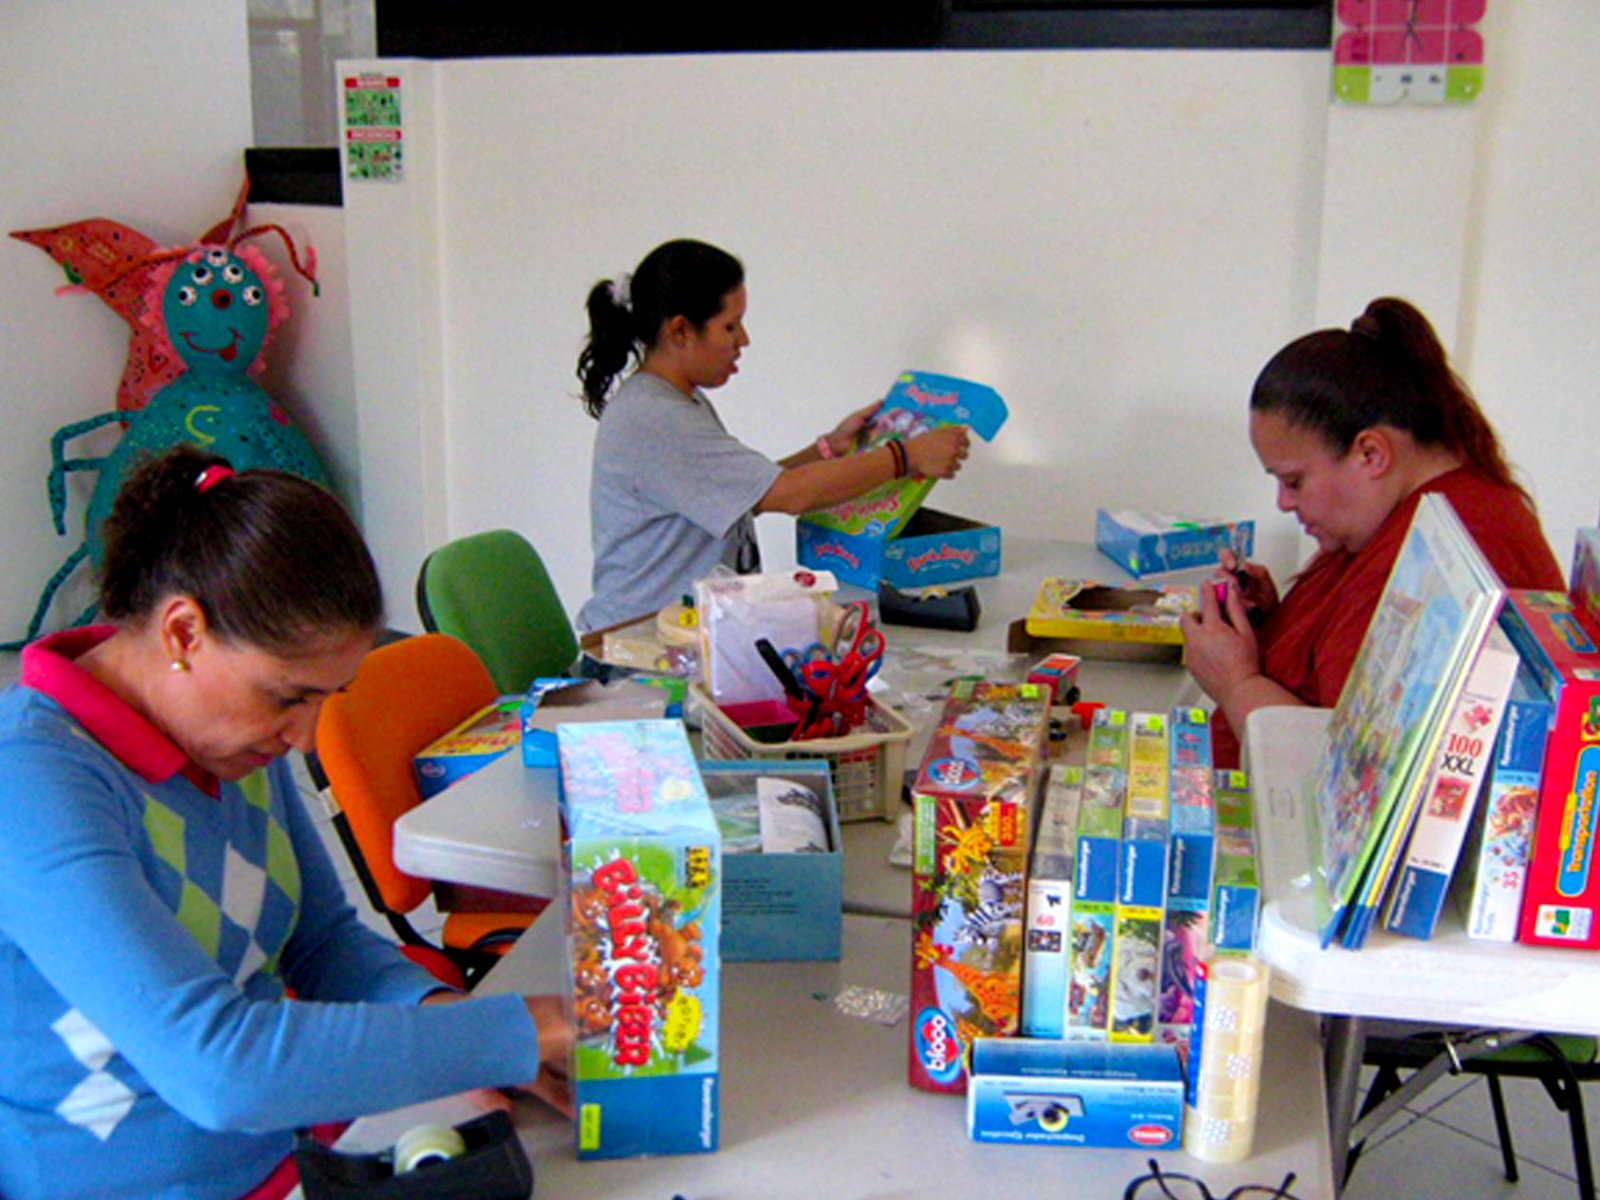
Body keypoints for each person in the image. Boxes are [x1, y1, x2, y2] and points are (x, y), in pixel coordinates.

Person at [0, 446, 571, 1200]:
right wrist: (514, 1030)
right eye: (288, 697)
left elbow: (324, 943)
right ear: (183, 633)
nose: (305, 738)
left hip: (294, 1152)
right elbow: (217, 1070)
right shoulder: (31, 779)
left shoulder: (227, 739)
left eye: (328, 698)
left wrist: (453, 1025)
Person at [1182, 298, 1564, 767]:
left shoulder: (1443, 549)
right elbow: (1333, 670)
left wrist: (1235, 682)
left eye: (1294, 481)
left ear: (1371, 454)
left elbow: (1348, 773)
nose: (1283, 502)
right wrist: (1273, 627)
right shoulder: (1414, 512)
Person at [574, 238, 972, 630]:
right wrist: (906, 457)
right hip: (637, 648)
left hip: (682, 633)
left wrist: (827, 449)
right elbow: (789, 494)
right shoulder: (656, 418)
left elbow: (742, 492)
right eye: (730, 326)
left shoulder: (674, 401)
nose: (743, 340)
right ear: (680, 331)